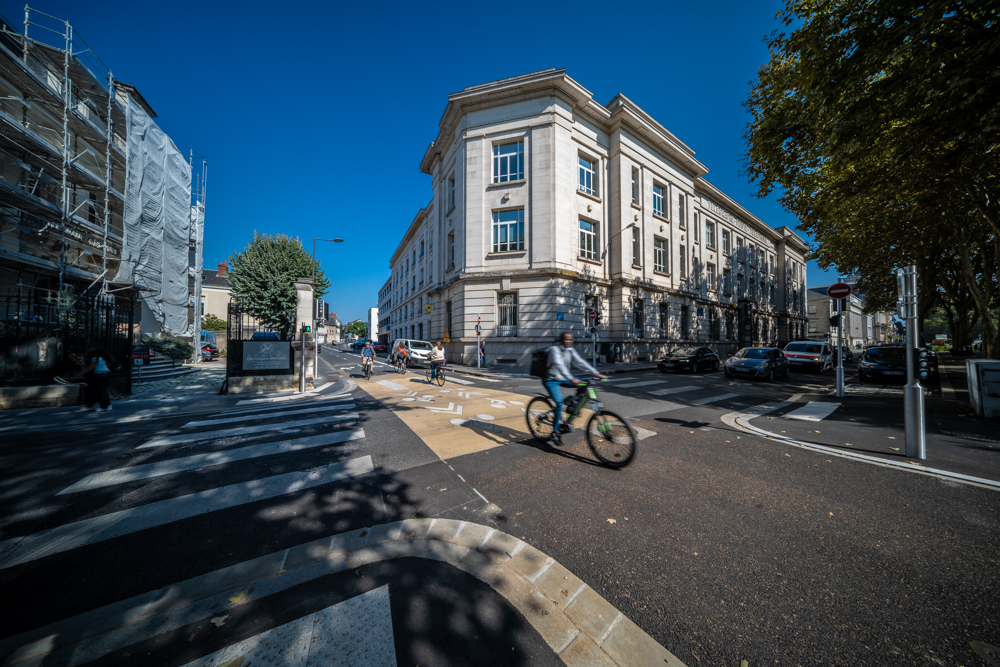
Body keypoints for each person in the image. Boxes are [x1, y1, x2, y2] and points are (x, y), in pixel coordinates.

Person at [544, 332, 606, 445]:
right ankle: (555, 432)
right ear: (561, 340)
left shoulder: (570, 350)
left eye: (570, 340)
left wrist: (595, 373)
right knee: (559, 404)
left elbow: (580, 362)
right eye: (566, 340)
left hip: (564, 377)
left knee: (584, 386)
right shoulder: (554, 349)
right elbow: (559, 365)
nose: (569, 342)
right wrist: (571, 379)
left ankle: (572, 405)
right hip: (551, 379)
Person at [68, 347, 116, 412]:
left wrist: (76, 376)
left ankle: (105, 406)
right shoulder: (103, 358)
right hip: (106, 373)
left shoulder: (94, 358)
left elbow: (89, 368)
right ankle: (105, 405)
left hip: (99, 374)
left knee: (99, 391)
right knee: (102, 390)